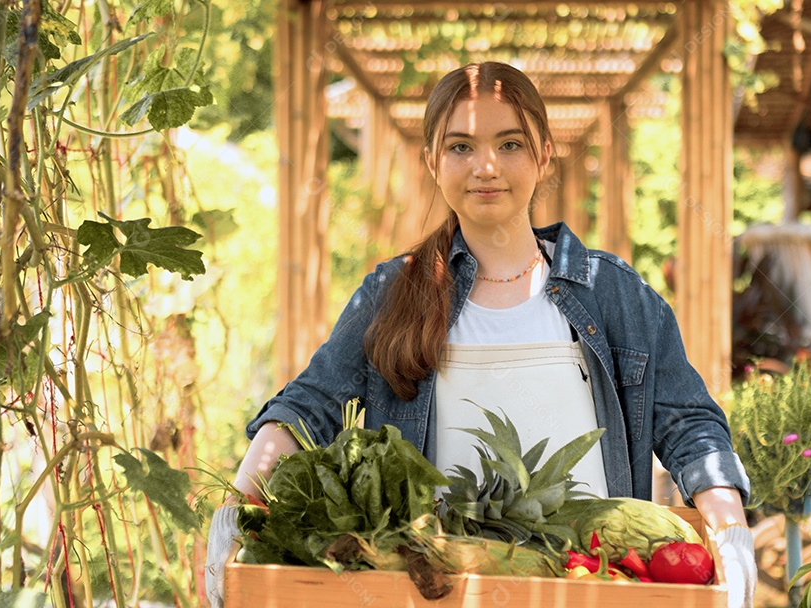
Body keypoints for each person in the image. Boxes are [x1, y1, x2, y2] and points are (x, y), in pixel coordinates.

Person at [205, 61, 756, 608]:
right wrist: (235, 509)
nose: (485, 167)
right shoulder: (392, 293)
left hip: (594, 588)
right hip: (437, 593)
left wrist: (730, 530)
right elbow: (308, 407)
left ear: (543, 155)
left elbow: (689, 425)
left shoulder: (613, 293)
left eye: (510, 144)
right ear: (432, 161)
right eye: (461, 147)